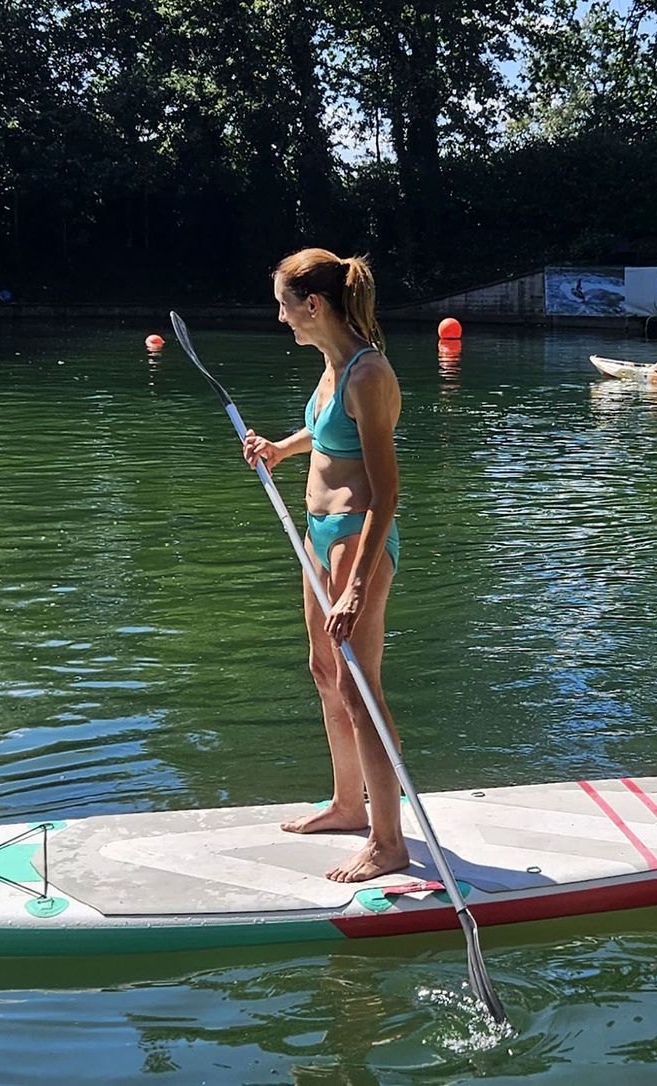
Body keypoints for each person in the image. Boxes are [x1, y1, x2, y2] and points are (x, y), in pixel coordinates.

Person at [240, 248, 408, 883]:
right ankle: (346, 803)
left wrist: (358, 585)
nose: (279, 316)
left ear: (313, 304)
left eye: (284, 304)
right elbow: (329, 432)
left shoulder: (367, 374)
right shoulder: (334, 364)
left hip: (357, 538)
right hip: (317, 530)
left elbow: (386, 491)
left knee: (362, 688)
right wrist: (282, 448)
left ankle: (389, 842)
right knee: (325, 671)